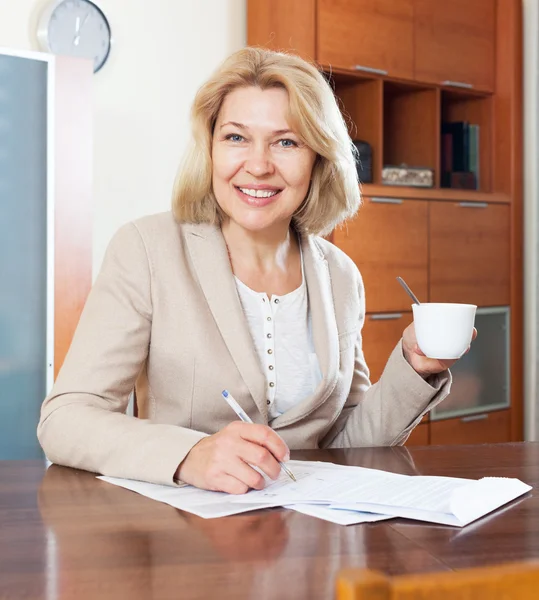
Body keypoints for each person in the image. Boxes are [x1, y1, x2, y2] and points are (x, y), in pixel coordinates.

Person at [38, 47, 471, 494]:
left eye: (287, 142)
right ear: (209, 147)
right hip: (187, 540)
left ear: (318, 157)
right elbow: (65, 419)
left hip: (311, 542)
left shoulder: (339, 275)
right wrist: (188, 455)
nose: (259, 165)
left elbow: (347, 445)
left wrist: (415, 370)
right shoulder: (147, 251)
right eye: (236, 138)